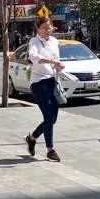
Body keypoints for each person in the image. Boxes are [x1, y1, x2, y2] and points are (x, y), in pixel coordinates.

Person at [23, 16, 63, 162]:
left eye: (49, 27)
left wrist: (58, 65)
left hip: (52, 80)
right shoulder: (34, 41)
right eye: (44, 28)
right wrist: (52, 61)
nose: (47, 30)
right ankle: (50, 149)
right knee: (48, 115)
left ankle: (31, 138)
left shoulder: (54, 41)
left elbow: (56, 59)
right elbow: (34, 57)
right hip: (39, 82)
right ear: (38, 29)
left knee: (53, 118)